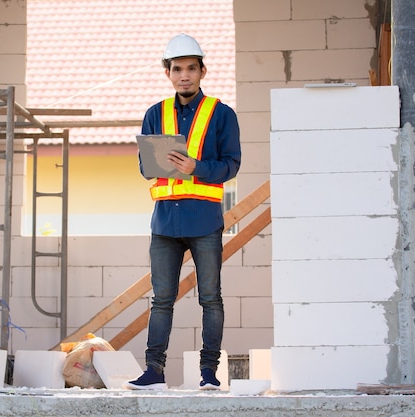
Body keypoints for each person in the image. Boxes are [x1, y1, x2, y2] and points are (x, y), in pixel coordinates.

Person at [123, 33, 241, 390]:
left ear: (202, 71)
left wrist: (196, 167)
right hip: (165, 222)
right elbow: (145, 167)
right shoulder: (154, 114)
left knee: (211, 298)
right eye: (178, 69)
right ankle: (154, 372)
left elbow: (231, 165)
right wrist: (158, 162)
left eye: (192, 68)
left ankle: (209, 373)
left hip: (204, 220)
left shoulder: (221, 114)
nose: (184, 75)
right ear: (168, 73)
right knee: (161, 301)